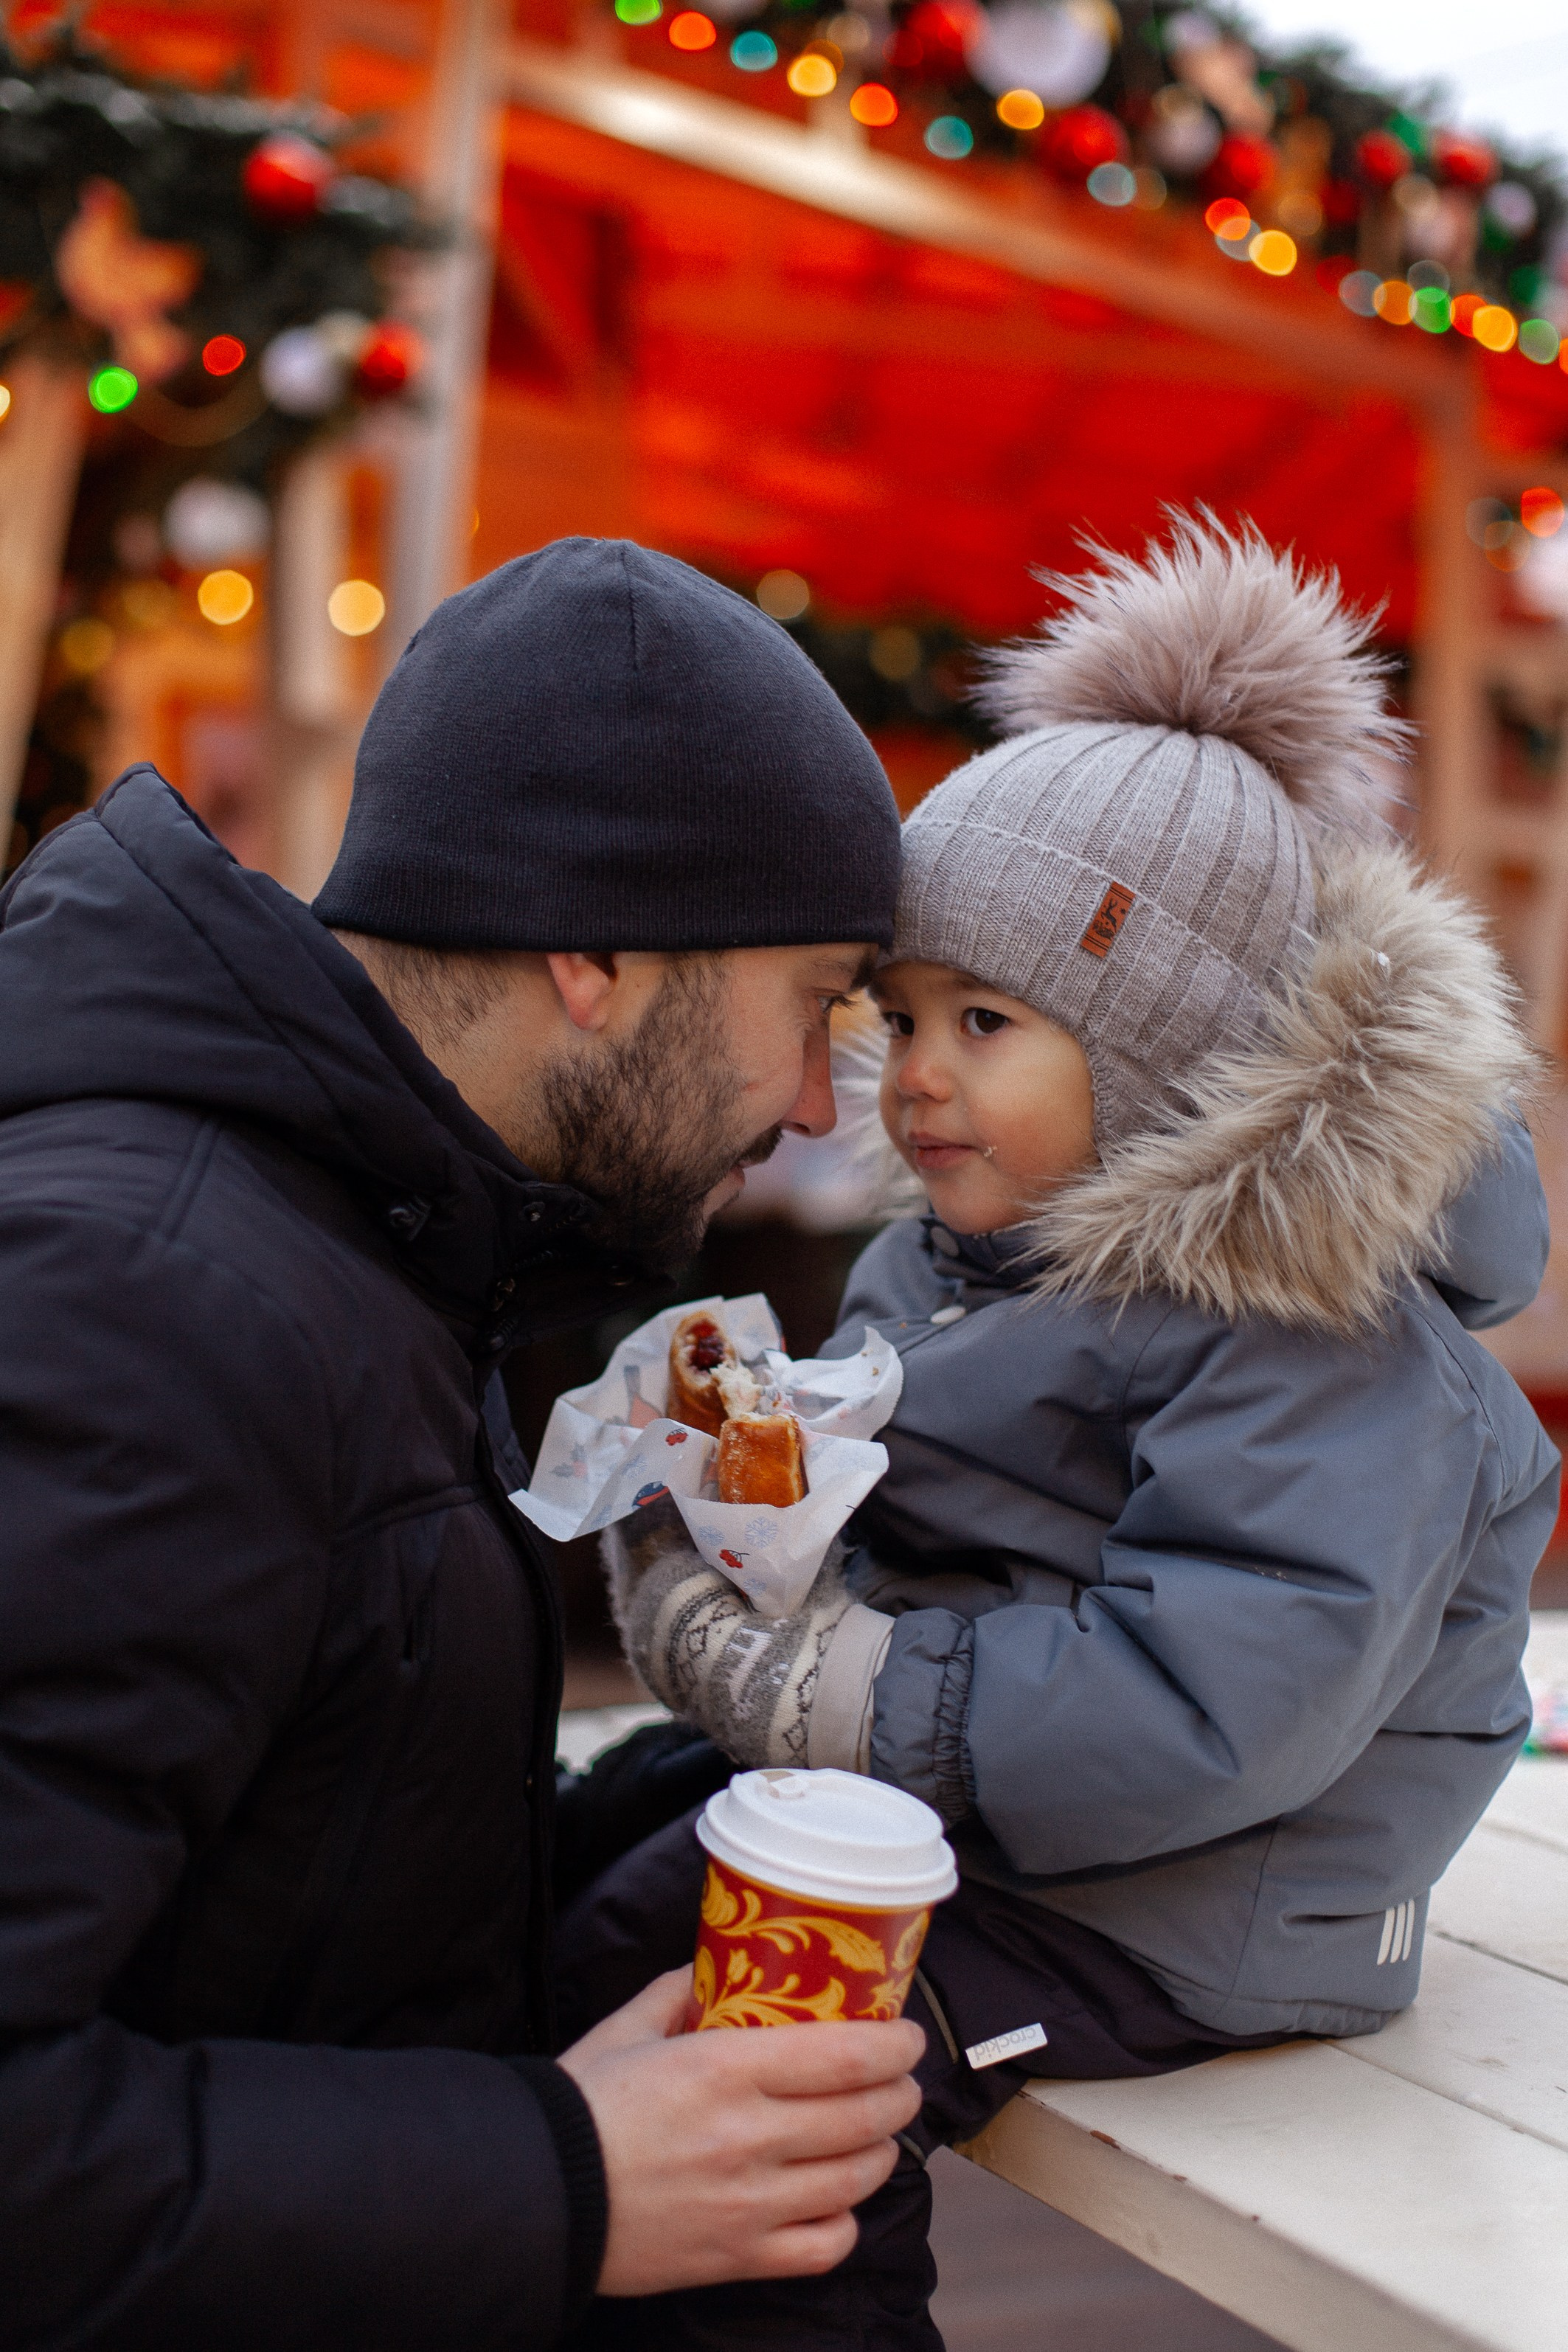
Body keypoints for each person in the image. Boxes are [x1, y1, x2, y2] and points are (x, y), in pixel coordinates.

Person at [583, 518, 1559, 2349]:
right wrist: (732, 1505)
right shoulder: (960, 1258)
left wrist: (841, 1683)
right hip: (1008, 1820)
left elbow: (1212, 1703)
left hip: (1188, 1903)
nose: (913, 1069)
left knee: (790, 2073)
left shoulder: (1318, 1337)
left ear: (1172, 1048)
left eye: (987, 1017)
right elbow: (902, 1490)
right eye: (897, 1011)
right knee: (612, 1842)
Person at [0, 538, 928, 2351]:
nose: (820, 1098)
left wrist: (734, 1781)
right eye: (812, 996)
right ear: (589, 950)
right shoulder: (147, 1301)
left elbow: (293, 1863)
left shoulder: (377, 1248)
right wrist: (569, 2178)